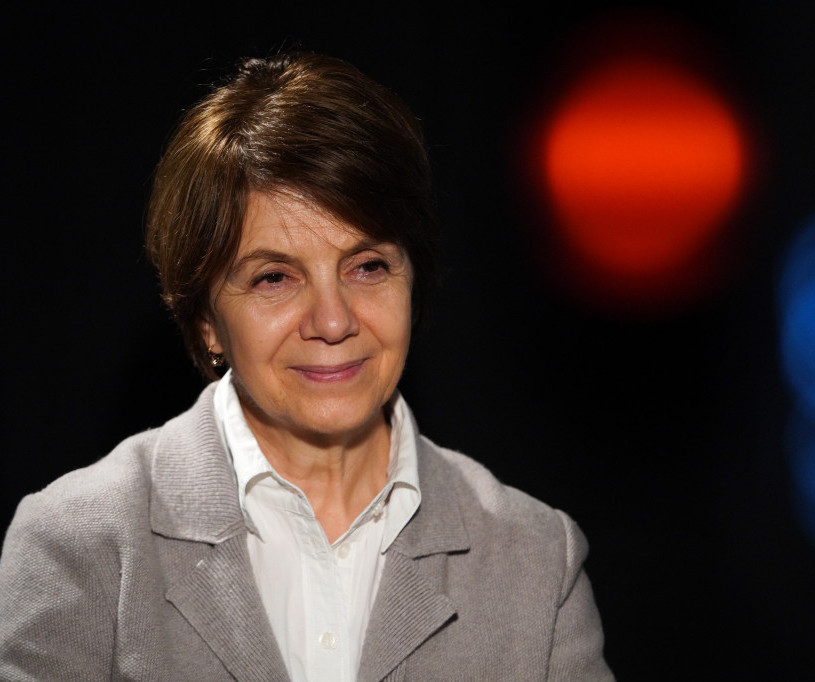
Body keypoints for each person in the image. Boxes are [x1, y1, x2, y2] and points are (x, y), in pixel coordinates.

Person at [0, 52, 613, 681]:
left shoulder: (536, 559)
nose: (333, 320)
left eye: (367, 267)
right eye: (274, 277)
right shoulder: (77, 545)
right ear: (205, 318)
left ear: (413, 281)